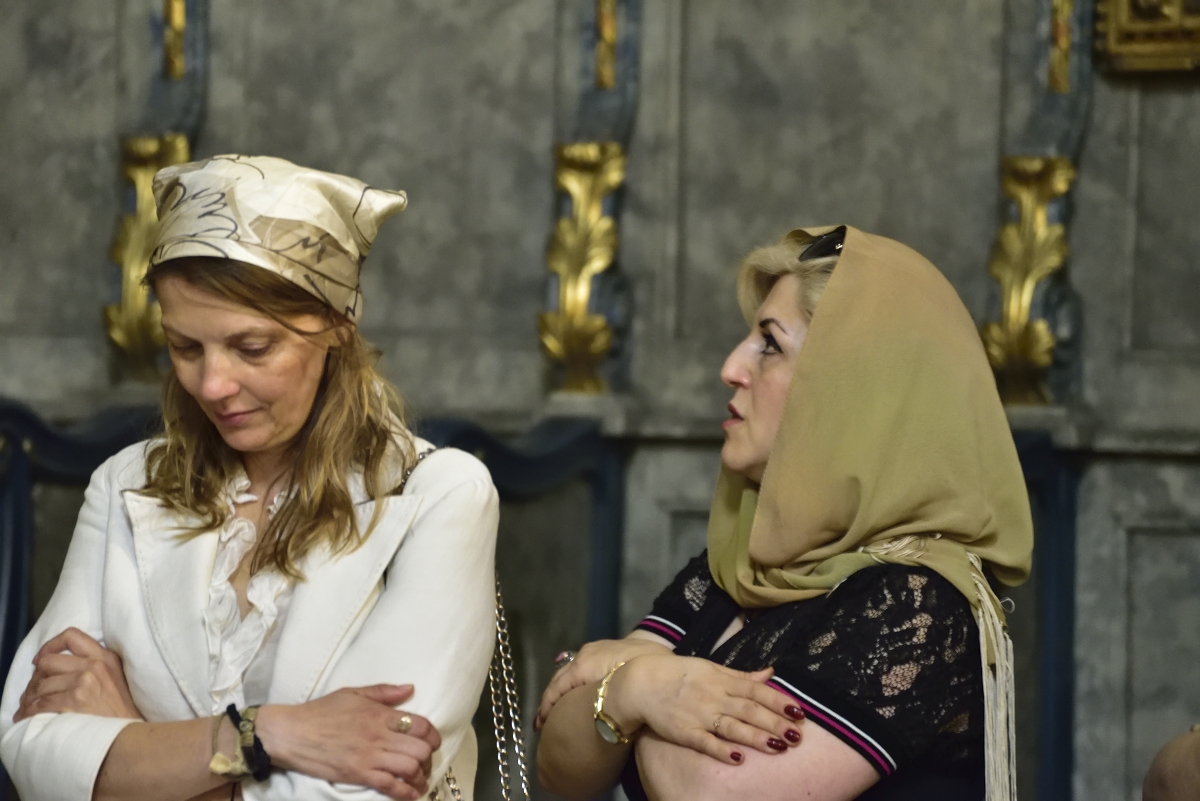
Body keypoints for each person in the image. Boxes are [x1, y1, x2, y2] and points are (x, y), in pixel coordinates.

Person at [0, 155, 499, 801]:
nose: (212, 384)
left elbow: (366, 792)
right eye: (185, 347)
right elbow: (32, 745)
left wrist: (137, 743)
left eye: (252, 348)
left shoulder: (441, 495)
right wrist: (269, 734)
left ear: (337, 327)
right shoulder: (126, 482)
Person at [535, 225, 1032, 801]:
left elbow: (712, 791)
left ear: (850, 392)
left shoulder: (918, 602)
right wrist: (635, 693)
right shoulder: (743, 564)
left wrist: (633, 684)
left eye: (769, 344)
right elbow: (560, 769)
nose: (731, 367)